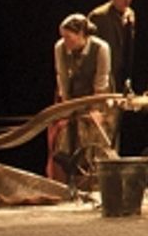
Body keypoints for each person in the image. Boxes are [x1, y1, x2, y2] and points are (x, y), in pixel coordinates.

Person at [47, 13, 113, 183]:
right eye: (63, 37)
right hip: (72, 95)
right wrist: (66, 107)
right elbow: (62, 77)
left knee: (90, 131)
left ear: (82, 34)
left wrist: (96, 108)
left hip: (98, 95)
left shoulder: (100, 48)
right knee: (64, 131)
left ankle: (93, 175)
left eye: (69, 37)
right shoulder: (60, 47)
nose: (65, 41)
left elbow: (101, 81)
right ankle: (67, 172)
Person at [88, 0, 136, 150]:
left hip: (119, 75)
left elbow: (128, 48)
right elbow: (89, 48)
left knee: (115, 121)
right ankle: (97, 160)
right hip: (102, 75)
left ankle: (112, 158)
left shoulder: (130, 15)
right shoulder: (99, 16)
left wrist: (127, 77)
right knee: (101, 121)